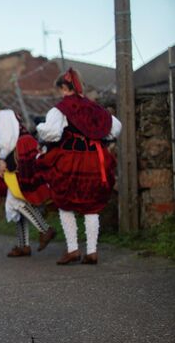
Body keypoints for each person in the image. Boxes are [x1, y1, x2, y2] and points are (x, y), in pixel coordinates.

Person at [36, 68, 121, 265]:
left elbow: (51, 134)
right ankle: (92, 252)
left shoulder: (60, 109)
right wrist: (98, 136)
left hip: (70, 160)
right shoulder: (95, 108)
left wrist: (40, 127)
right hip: (94, 160)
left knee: (65, 203)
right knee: (91, 206)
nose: (61, 94)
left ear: (65, 87)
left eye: (61, 90)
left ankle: (73, 249)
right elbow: (115, 128)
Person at [0, 99, 56, 257]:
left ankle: (45, 229)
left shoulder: (2, 115)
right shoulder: (8, 115)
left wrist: (2, 158)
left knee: (15, 200)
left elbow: (8, 140)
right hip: (23, 151)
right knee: (16, 199)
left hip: (19, 153)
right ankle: (23, 245)